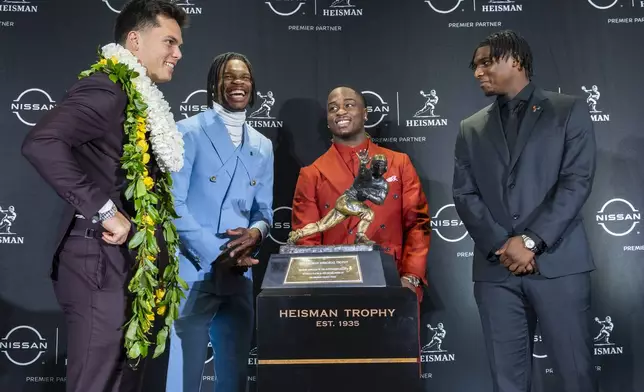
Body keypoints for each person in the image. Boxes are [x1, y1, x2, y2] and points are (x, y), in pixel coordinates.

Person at [20, 1, 187, 391]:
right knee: (100, 383)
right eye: (169, 42)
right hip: (99, 262)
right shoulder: (107, 88)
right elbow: (41, 142)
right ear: (134, 40)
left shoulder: (138, 98)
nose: (178, 54)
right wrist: (105, 210)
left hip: (126, 265)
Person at [453, 30, 597, 392]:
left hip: (559, 265)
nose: (477, 72)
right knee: (507, 383)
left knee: (575, 376)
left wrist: (531, 241)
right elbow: (465, 193)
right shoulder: (470, 127)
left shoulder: (568, 110)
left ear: (515, 60)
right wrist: (505, 246)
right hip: (495, 270)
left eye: (486, 62)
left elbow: (576, 181)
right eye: (475, 66)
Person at [166, 52, 274, 392]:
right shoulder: (187, 132)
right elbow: (173, 205)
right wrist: (216, 252)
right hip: (192, 270)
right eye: (230, 76)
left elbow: (265, 213)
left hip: (239, 274)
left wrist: (256, 233)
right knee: (181, 377)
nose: (238, 83)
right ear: (215, 84)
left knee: (235, 377)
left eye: (244, 77)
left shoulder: (263, 145)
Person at [290, 86, 430, 299]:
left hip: (392, 280)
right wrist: (315, 288)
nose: (340, 112)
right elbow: (307, 241)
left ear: (365, 114)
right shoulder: (312, 174)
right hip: (333, 287)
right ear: (328, 120)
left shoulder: (398, 163)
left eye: (349, 105)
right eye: (333, 108)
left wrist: (411, 277)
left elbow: (417, 223)